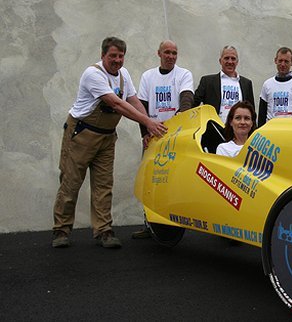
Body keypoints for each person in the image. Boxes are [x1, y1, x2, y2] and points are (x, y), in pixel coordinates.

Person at [52, 37, 167, 249]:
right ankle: (61, 229)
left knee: (104, 185)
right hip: (82, 134)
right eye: (112, 56)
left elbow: (133, 101)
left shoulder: (123, 75)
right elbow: (116, 103)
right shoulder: (93, 74)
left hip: (106, 137)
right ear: (103, 55)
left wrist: (147, 128)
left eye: (120, 56)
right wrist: (148, 122)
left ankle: (104, 231)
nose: (117, 60)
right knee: (71, 182)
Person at [132, 40, 194, 239]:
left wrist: (177, 122)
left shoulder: (184, 74)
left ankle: (171, 226)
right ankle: (148, 224)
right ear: (158, 53)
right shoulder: (148, 76)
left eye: (174, 53)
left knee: (172, 182)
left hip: (174, 137)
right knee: (150, 182)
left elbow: (186, 100)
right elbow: (141, 106)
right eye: (167, 52)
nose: (171, 56)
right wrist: (145, 133)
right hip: (153, 137)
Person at [193, 46, 255, 123]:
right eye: (226, 58)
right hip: (214, 130)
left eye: (233, 58)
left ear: (237, 62)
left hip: (238, 131)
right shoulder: (207, 81)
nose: (230, 62)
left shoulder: (246, 83)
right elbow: (194, 103)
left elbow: (251, 111)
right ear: (220, 61)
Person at [258, 47, 292, 127]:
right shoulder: (267, 84)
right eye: (280, 61)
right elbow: (262, 115)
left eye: (286, 61)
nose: (283, 64)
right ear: (275, 61)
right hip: (272, 132)